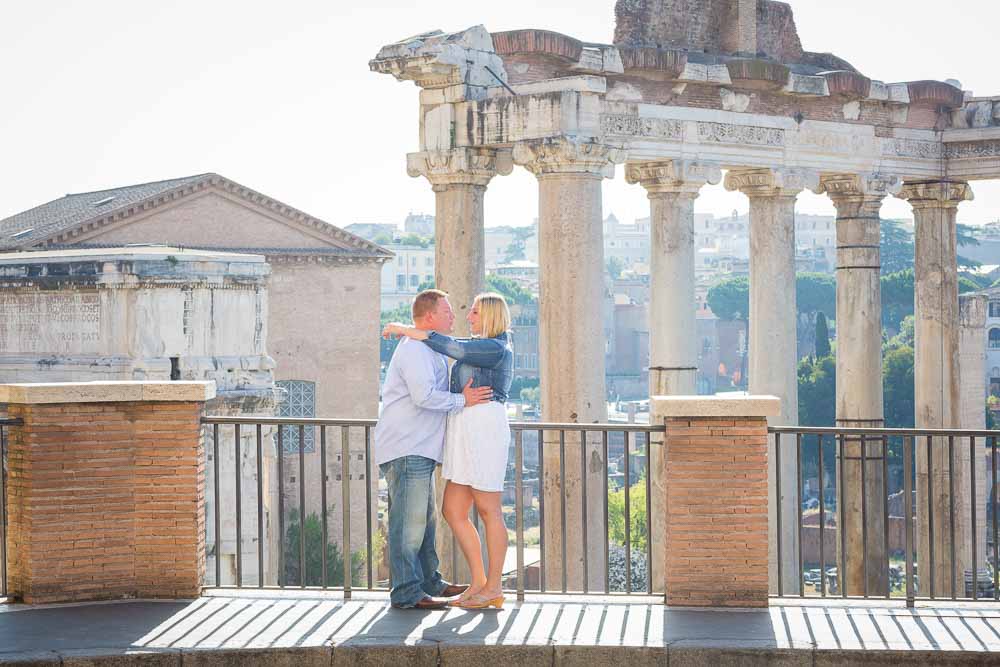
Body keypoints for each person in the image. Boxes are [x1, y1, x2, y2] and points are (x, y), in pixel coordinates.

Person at [382, 292, 514, 610]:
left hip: (482, 427)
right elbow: (431, 388)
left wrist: (403, 328)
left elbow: (453, 347)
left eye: (474, 312)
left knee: (488, 510)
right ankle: (476, 583)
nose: (466, 316)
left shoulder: (495, 347)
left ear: (493, 315)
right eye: (455, 310)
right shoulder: (426, 348)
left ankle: (492, 587)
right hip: (455, 430)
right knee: (451, 511)